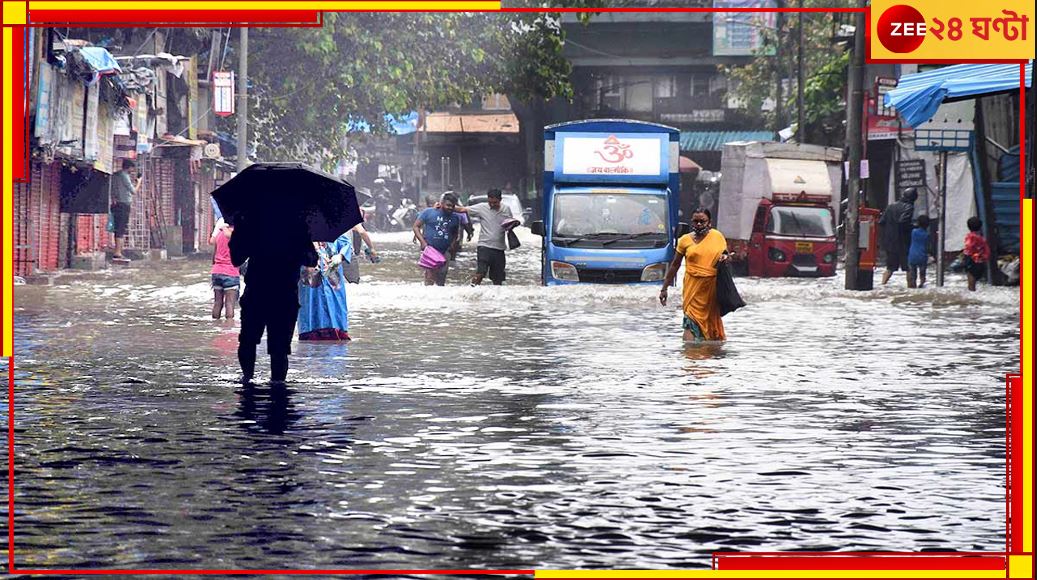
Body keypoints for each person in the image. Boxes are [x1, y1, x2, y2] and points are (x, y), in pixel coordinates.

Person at [230, 211, 318, 385]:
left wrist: (239, 231)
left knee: (248, 340)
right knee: (279, 348)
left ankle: (247, 381)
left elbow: (235, 259)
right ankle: (277, 389)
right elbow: (311, 260)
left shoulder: (252, 222)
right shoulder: (297, 226)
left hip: (257, 292)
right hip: (284, 295)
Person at [659, 208, 729, 342]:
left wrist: (725, 257)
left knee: (710, 324)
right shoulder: (684, 240)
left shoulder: (717, 236)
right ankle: (688, 355)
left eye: (702, 221)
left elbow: (726, 254)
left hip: (711, 290)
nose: (698, 224)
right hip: (692, 289)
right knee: (690, 321)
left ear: (710, 222)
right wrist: (664, 288)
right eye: (695, 221)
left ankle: (708, 356)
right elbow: (675, 265)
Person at [298, 232, 353, 341]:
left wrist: (340, 256)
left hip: (333, 284)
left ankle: (337, 331)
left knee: (336, 314)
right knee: (311, 312)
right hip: (310, 286)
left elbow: (346, 244)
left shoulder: (331, 231)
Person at [455, 188, 514, 285]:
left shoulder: (506, 209)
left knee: (498, 278)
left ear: (500, 200)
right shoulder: (482, 207)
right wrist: (443, 206)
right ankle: (472, 290)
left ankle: (496, 297)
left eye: (495, 202)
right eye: (490, 202)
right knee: (481, 273)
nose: (492, 205)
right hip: (484, 247)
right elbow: (462, 209)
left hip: (499, 248)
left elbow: (510, 223)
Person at [413, 192, 462, 286]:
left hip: (445, 251)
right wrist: (422, 242)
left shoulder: (455, 217)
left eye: (452, 206)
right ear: (442, 203)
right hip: (430, 250)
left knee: (442, 278)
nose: (450, 208)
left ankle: (440, 298)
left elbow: (455, 233)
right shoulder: (428, 212)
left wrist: (452, 245)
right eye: (448, 205)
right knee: (429, 278)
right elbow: (416, 226)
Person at [879, 187, 917, 285]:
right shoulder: (909, 207)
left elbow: (881, 222)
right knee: (909, 268)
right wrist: (913, 227)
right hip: (903, 243)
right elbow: (903, 221)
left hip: (890, 242)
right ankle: (911, 288)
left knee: (890, 268)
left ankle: (882, 285)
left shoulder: (891, 206)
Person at [110, 159, 140, 259]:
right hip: (123, 204)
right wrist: (139, 182)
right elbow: (133, 191)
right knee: (121, 228)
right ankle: (118, 252)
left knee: (117, 228)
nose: (133, 170)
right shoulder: (124, 176)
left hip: (115, 204)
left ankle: (117, 251)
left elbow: (113, 189)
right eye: (132, 168)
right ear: (129, 167)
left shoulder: (115, 175)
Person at [210, 219, 240, 320]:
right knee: (229, 304)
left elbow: (214, 256)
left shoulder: (219, 234)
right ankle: (228, 329)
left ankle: (215, 326)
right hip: (230, 272)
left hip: (216, 271)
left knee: (217, 303)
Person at [963, 216, 990, 292]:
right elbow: (987, 251)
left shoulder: (970, 236)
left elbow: (968, 247)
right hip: (980, 261)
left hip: (971, 260)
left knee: (971, 283)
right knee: (975, 279)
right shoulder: (981, 238)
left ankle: (972, 296)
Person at [907, 214, 930, 289]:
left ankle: (913, 286)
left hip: (912, 256)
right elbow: (927, 246)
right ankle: (922, 284)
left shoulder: (913, 232)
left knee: (913, 274)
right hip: (922, 256)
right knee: (922, 273)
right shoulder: (927, 235)